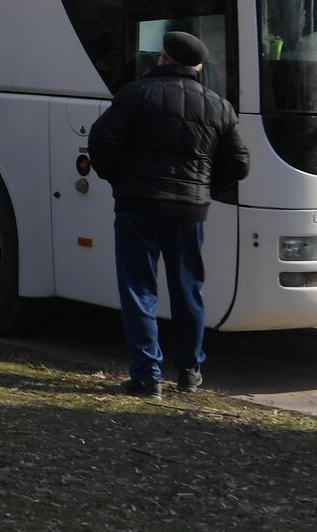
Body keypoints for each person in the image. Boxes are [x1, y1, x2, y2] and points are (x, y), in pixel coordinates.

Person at [86, 30, 249, 398]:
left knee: (139, 289)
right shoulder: (218, 105)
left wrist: (119, 180)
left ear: (162, 59)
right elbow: (239, 163)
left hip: (138, 206)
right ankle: (190, 371)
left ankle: (147, 376)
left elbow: (101, 142)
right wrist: (205, 190)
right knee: (188, 289)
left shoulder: (135, 94)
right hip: (190, 211)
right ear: (199, 67)